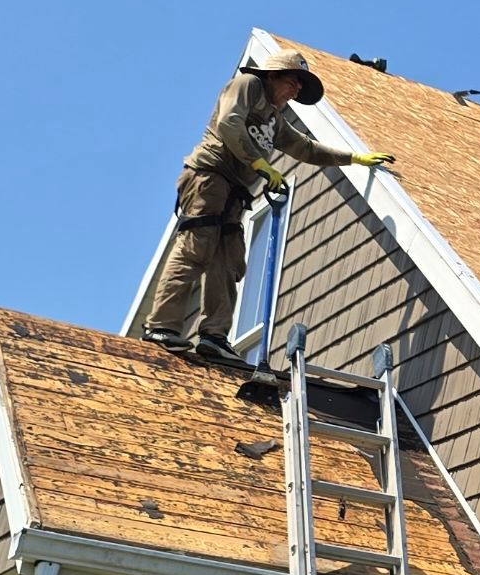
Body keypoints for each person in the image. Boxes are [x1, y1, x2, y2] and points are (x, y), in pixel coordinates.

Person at [144, 37, 392, 365]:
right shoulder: (247, 85)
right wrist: (259, 164)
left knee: (229, 261)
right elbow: (229, 122)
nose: (293, 92)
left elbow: (306, 148)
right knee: (196, 248)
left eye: (298, 89)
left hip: (235, 192)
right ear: (273, 75)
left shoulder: (275, 119)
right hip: (209, 177)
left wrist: (354, 158)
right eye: (291, 83)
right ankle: (161, 327)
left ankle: (213, 336)